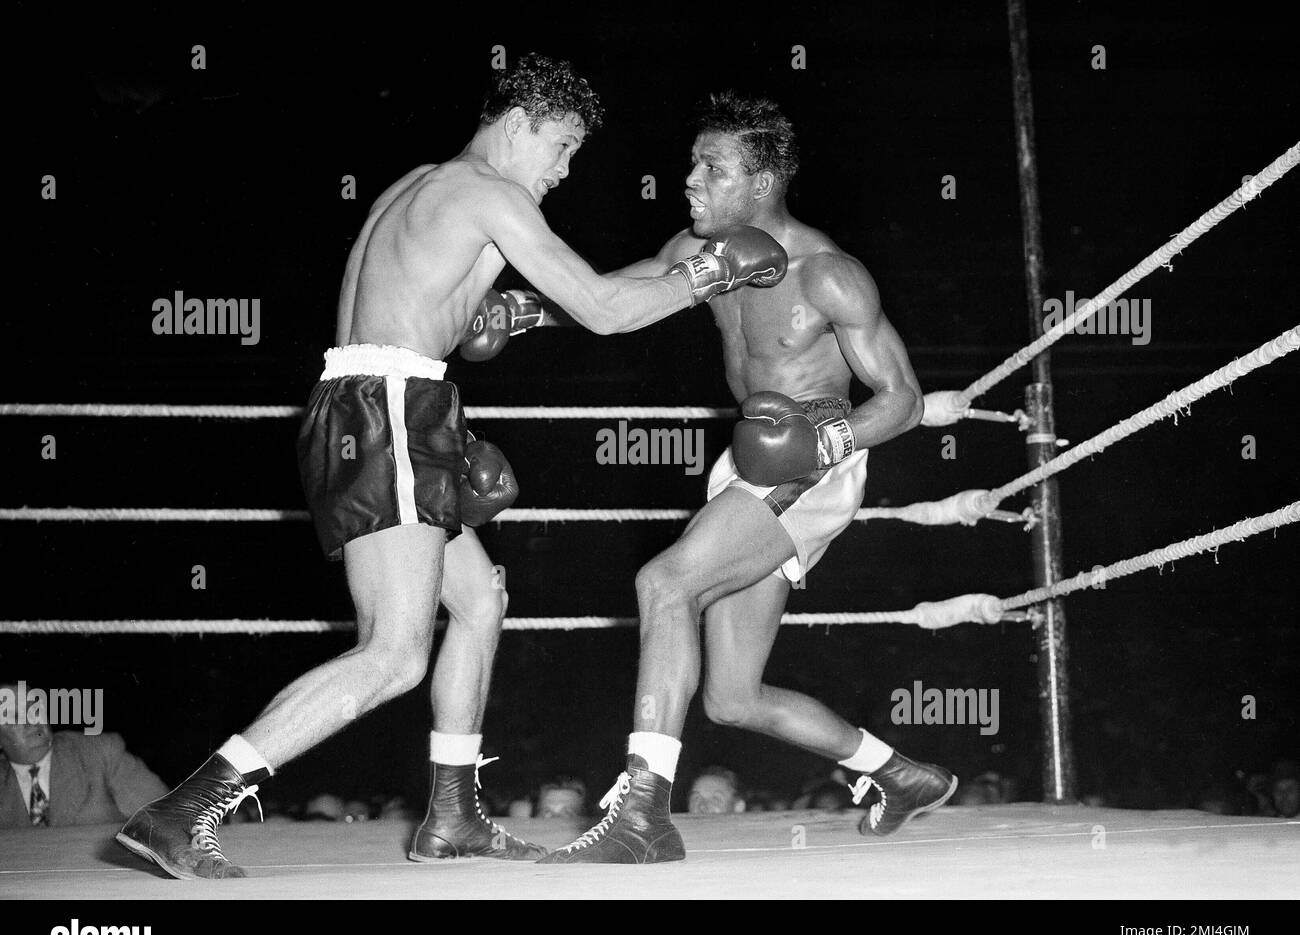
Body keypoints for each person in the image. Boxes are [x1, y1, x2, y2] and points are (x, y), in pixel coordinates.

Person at [116, 57, 786, 880]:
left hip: (393, 402)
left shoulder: (422, 186)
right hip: (387, 408)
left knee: (478, 599)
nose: (565, 171)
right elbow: (608, 312)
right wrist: (711, 271)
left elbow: (438, 305)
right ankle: (184, 810)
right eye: (563, 146)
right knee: (393, 652)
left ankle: (453, 813)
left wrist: (502, 320)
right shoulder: (487, 193)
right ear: (520, 123)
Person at [539, 93, 955, 864]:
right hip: (749, 465)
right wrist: (522, 312)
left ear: (761, 185)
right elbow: (611, 300)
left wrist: (819, 442)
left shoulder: (828, 275)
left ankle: (642, 813)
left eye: (712, 167)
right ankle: (898, 774)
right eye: (694, 161)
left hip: (816, 462)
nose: (689, 178)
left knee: (665, 582)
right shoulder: (704, 257)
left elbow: (903, 401)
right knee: (732, 697)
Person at [1, 685, 167, 828]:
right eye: (14, 717)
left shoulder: (100, 751)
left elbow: (165, 815)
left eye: (34, 708)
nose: (31, 720)